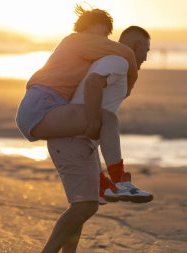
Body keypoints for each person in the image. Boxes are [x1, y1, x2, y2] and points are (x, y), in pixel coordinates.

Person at [16, 5, 144, 203]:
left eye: (106, 37)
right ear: (89, 27)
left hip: (44, 107)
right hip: (41, 106)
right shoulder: (76, 41)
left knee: (91, 128)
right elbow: (126, 53)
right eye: (102, 34)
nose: (103, 41)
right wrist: (129, 85)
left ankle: (102, 183)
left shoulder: (84, 49)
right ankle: (120, 181)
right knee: (106, 119)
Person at [43, 25, 152, 253]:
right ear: (137, 46)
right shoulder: (119, 61)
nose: (145, 58)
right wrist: (94, 123)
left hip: (78, 141)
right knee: (85, 206)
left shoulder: (113, 60)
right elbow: (93, 83)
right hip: (73, 140)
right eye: (146, 51)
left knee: (83, 205)